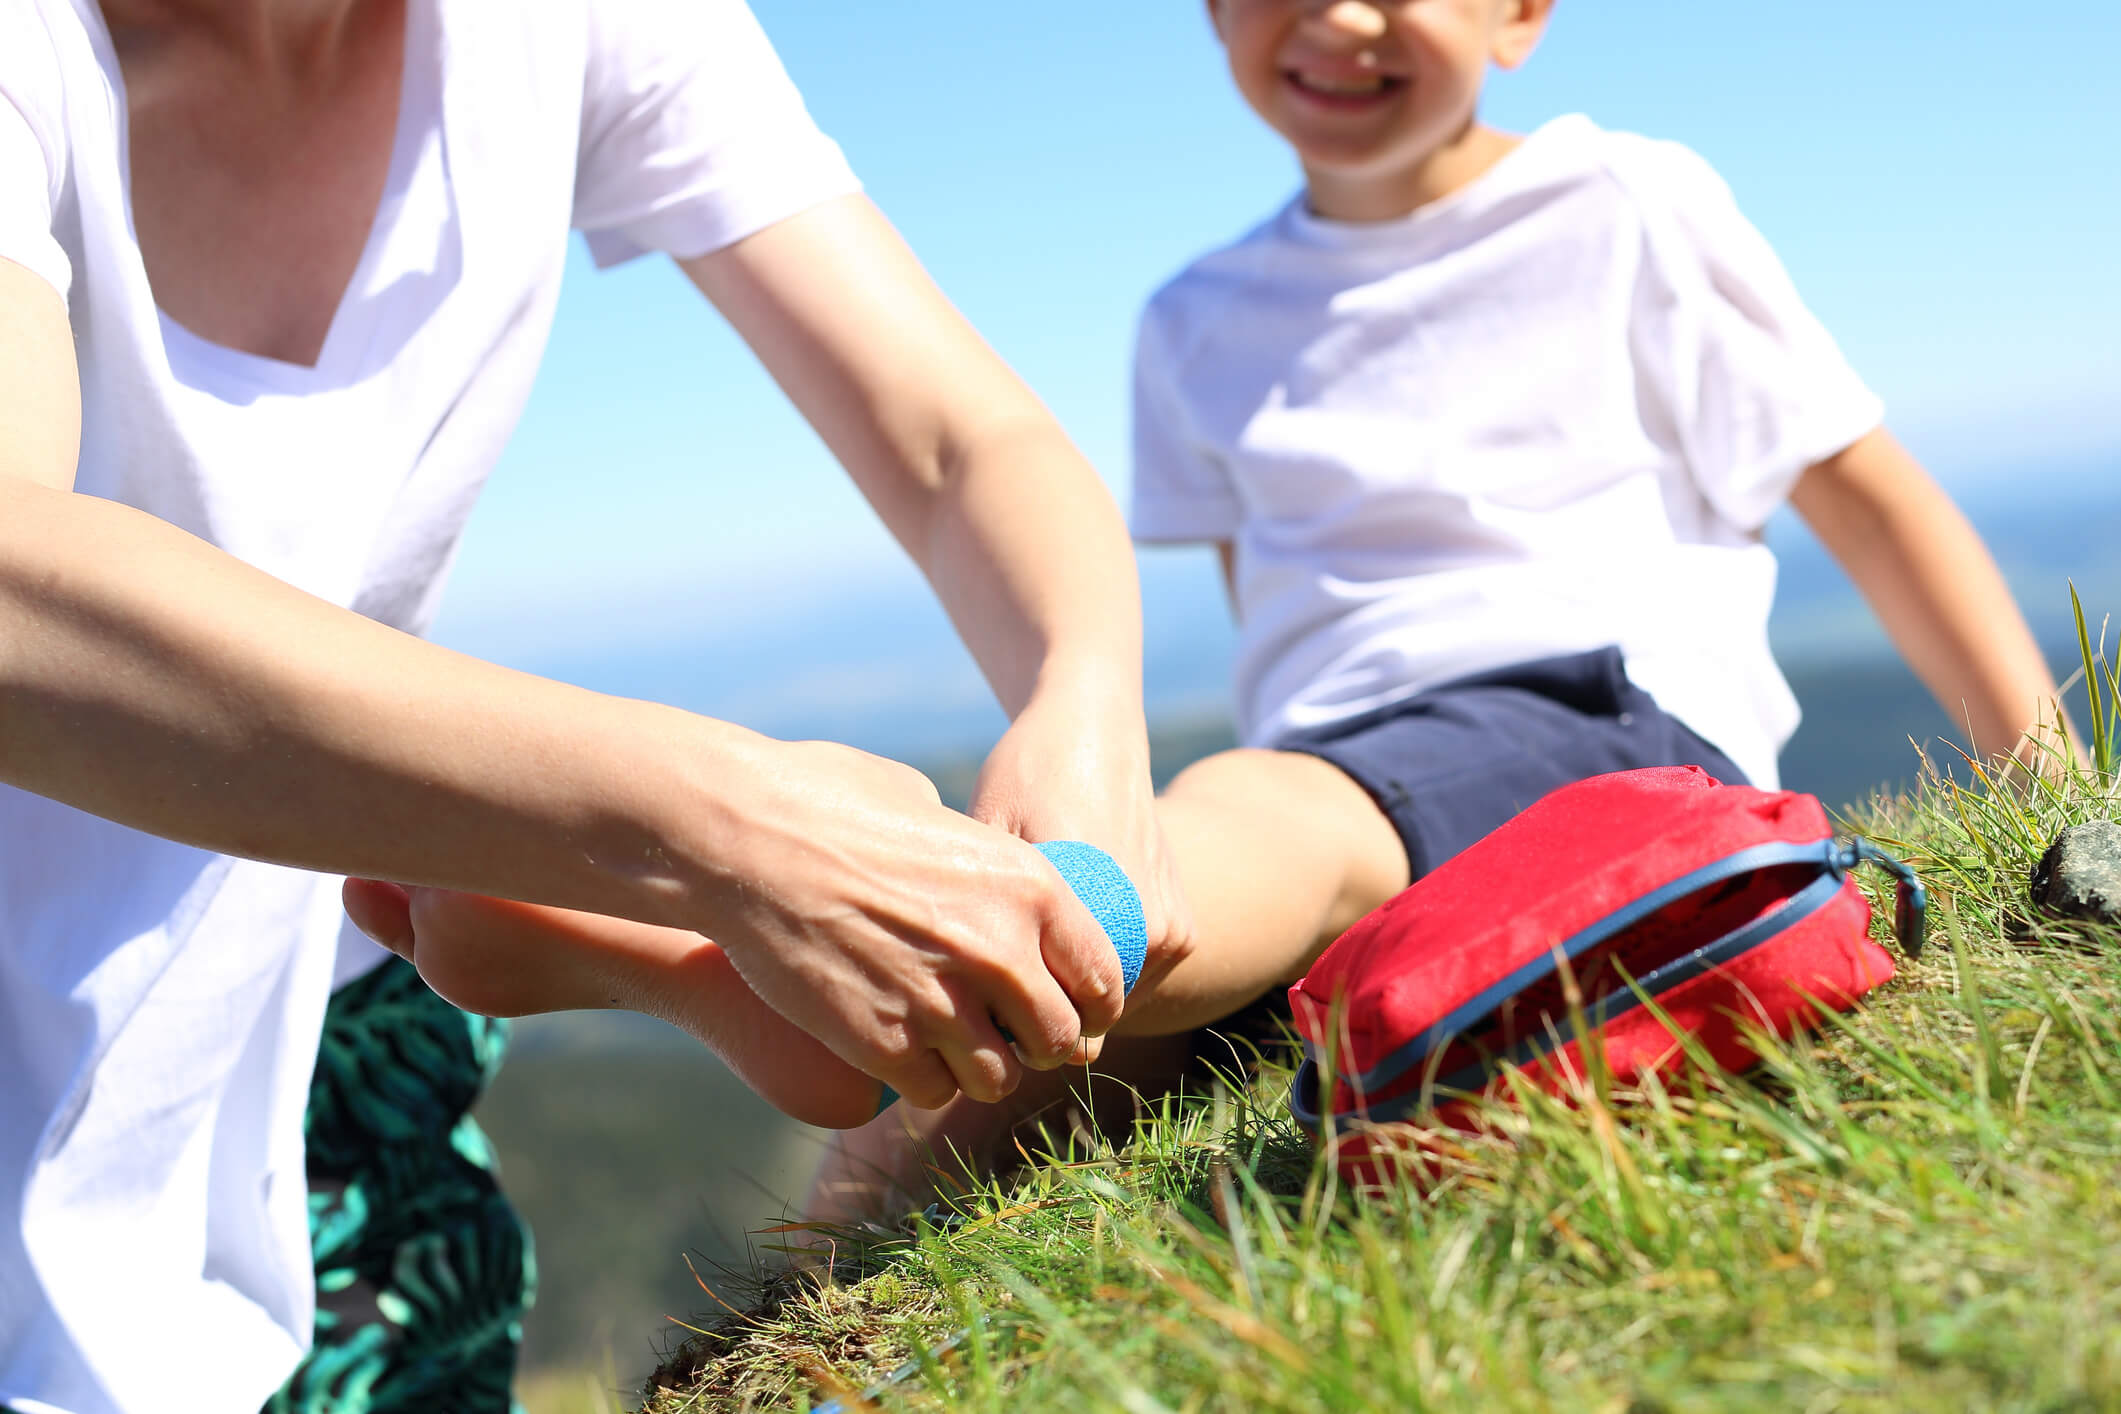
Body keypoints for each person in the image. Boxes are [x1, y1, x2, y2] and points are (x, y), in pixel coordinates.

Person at [381, 0, 2067, 1228]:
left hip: (1600, 720)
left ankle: (821, 908)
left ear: (1520, 14)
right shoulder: (1193, 321)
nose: (1330, 18)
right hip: (1341, 755)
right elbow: (1287, 626)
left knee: (1206, 862)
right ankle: (801, 1054)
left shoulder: (1626, 205)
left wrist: (2044, 769)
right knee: (999, 1102)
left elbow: (1871, 498)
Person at [0, 0, 1191, 1409]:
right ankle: (522, 895)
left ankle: (497, 895)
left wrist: (1084, 705)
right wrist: (719, 832)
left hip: (328, 1040)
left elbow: (954, 439)